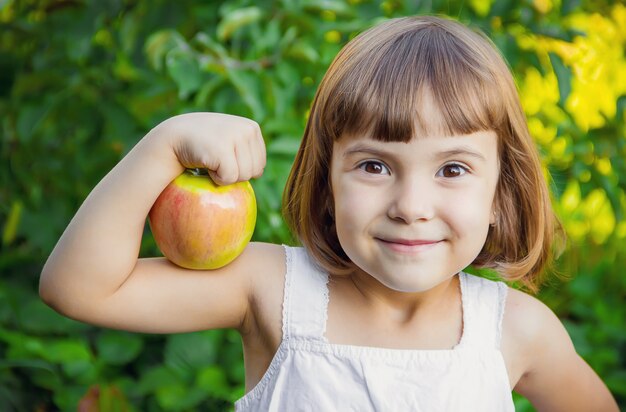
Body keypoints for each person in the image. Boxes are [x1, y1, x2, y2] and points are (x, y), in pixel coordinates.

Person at [40, 15, 619, 411]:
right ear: (326, 183)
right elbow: (79, 289)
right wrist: (162, 147)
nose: (411, 208)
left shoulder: (516, 330)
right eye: (374, 166)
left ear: (501, 193)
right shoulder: (271, 290)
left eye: (452, 169)